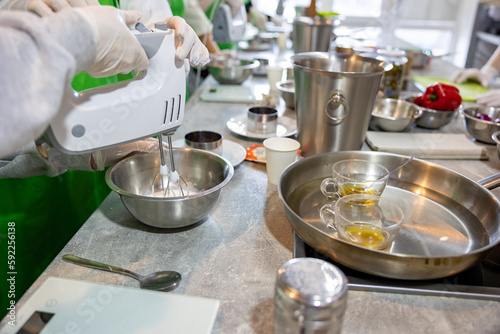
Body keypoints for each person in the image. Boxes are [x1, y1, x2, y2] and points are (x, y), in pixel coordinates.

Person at [0, 2, 209, 317]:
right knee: (28, 311)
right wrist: (48, 144)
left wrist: (171, 44)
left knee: (100, 309)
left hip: (100, 197)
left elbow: (155, 33)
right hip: (27, 208)